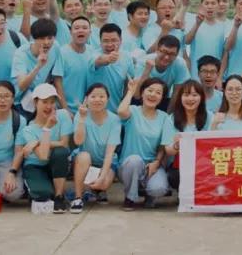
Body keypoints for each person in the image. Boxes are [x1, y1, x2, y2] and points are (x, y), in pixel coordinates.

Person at [16, 82, 73, 213]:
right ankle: (40, 189)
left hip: (55, 163)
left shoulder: (63, 115)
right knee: (43, 194)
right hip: (36, 165)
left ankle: (59, 196)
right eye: (44, 102)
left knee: (60, 152)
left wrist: (37, 142)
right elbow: (42, 156)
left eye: (52, 102)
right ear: (36, 103)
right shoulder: (28, 129)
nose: (49, 106)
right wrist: (47, 128)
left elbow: (64, 144)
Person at [117, 76, 169, 210]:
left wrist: (157, 162)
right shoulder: (133, 111)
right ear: (142, 93)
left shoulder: (164, 117)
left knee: (159, 188)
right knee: (135, 161)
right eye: (150, 90)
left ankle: (149, 194)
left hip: (151, 165)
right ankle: (130, 197)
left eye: (158, 92)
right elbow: (121, 111)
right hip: (129, 165)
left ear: (162, 98)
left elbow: (163, 145)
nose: (153, 95)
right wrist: (130, 91)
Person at [71, 83, 121, 211]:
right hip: (85, 161)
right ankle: (78, 197)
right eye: (93, 96)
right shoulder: (80, 115)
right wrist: (82, 119)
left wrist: (102, 177)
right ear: (86, 99)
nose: (97, 100)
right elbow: (78, 141)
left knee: (103, 183)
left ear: (107, 99)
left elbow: (109, 153)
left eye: (101, 96)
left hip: (105, 161)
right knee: (83, 156)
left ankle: (95, 189)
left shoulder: (114, 119)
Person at [162, 80, 210, 192]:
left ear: (201, 98)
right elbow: (168, 150)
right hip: (179, 165)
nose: (190, 99)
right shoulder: (171, 119)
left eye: (194, 95)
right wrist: (176, 145)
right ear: (180, 97)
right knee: (176, 176)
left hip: (203, 163)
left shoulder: (210, 117)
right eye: (186, 95)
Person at [11, 18, 67, 116]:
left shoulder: (55, 47)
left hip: (42, 98)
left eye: (50, 38)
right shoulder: (21, 54)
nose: (46, 42)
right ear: (34, 38)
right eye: (42, 38)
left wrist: (65, 109)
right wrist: (38, 66)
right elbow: (22, 85)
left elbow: (57, 79)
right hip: (19, 102)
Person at [89, 24, 136, 112]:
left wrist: (124, 101)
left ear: (121, 40)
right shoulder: (93, 55)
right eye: (105, 41)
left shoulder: (127, 57)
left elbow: (129, 81)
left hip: (117, 110)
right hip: (95, 110)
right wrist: (108, 59)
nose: (110, 44)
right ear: (100, 41)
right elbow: (99, 60)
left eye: (114, 40)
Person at [59, 16, 97, 112]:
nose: (81, 30)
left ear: (90, 32)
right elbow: (57, 82)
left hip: (89, 110)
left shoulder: (93, 51)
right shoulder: (62, 53)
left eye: (84, 28)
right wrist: (65, 109)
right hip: (68, 109)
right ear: (70, 32)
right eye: (76, 28)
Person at [185, 0, 228, 69]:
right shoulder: (194, 23)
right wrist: (197, 24)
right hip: (195, 71)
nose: (210, 6)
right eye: (207, 3)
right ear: (201, 5)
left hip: (215, 72)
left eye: (213, 3)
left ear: (218, 5)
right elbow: (187, 41)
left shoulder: (224, 27)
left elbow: (225, 54)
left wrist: (220, 74)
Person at [146, 35, 192, 104]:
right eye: (164, 52)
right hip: (143, 98)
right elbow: (136, 94)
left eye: (172, 54)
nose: (166, 57)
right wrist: (146, 71)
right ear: (157, 50)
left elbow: (177, 92)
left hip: (164, 99)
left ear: (177, 54)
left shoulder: (180, 63)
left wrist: (169, 111)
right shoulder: (145, 61)